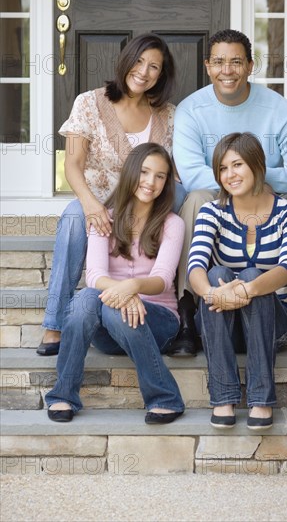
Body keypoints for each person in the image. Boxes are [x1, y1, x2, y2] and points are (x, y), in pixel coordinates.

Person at [168, 28, 287, 358]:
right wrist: (240, 179)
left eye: (236, 62)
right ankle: (188, 319)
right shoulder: (191, 110)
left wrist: (258, 176)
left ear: (250, 65)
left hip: (272, 198)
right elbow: (193, 174)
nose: (227, 70)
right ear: (207, 66)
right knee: (194, 199)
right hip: (219, 200)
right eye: (219, 62)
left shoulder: (276, 107)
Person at [38, 33, 186, 356]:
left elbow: (173, 171)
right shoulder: (90, 103)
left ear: (161, 75)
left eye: (154, 67)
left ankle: (177, 311)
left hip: (145, 207)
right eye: (138, 61)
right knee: (75, 219)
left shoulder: (168, 115)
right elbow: (73, 165)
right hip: (99, 201)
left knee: (185, 199)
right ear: (125, 61)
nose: (144, 72)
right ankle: (54, 324)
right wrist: (92, 206)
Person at [45, 142, 185, 424]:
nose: (151, 182)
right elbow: (95, 275)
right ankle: (64, 394)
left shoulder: (172, 223)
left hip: (158, 323)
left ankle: (165, 398)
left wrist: (132, 287)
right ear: (131, 173)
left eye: (160, 176)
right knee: (87, 298)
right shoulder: (104, 219)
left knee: (108, 304)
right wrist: (123, 293)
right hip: (109, 332)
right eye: (145, 172)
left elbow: (161, 280)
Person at [188, 132, 287, 429]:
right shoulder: (211, 211)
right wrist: (214, 294)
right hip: (220, 324)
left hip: (270, 327)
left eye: (237, 164)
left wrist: (246, 289)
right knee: (216, 274)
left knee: (256, 274)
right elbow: (195, 268)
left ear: (257, 164)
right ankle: (224, 398)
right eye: (223, 169)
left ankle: (261, 399)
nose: (230, 175)